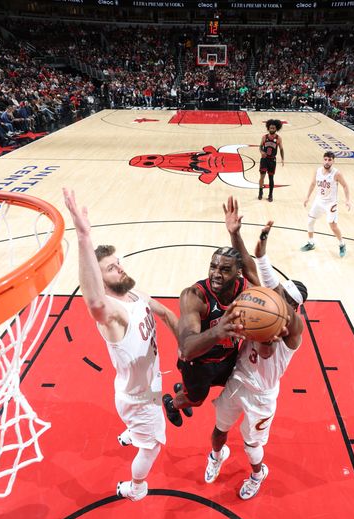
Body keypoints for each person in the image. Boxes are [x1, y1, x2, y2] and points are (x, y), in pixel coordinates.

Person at [63, 188, 179, 502]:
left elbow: (165, 312)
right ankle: (137, 487)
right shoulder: (112, 314)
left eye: (119, 263)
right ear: (99, 280)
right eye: (112, 268)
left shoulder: (133, 293)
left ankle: (131, 430)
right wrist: (83, 237)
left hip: (141, 384)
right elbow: (94, 301)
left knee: (138, 424)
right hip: (142, 399)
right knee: (151, 446)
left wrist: (185, 344)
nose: (121, 269)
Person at [204, 219, 307, 500]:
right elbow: (252, 266)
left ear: (294, 306)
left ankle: (257, 473)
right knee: (218, 430)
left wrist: (262, 260)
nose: (273, 295)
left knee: (252, 446)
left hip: (262, 396)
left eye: (281, 296)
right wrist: (236, 235)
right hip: (238, 381)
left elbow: (269, 347)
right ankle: (216, 456)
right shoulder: (270, 303)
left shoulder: (294, 330)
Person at [162, 197, 260, 426]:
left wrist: (235, 235)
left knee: (234, 388)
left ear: (238, 273)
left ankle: (183, 389)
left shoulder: (246, 286)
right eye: (213, 266)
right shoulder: (194, 296)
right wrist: (219, 332)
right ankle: (171, 403)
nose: (216, 273)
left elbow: (249, 266)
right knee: (195, 400)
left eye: (225, 269)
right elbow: (187, 349)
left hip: (228, 358)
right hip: (199, 363)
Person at [301, 151, 352, 257]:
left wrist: (347, 200)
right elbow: (312, 184)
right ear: (323, 160)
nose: (327, 162)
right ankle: (311, 243)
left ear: (333, 161)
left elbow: (345, 186)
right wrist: (307, 197)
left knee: (333, 226)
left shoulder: (336, 173)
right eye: (325, 159)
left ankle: (342, 244)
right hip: (319, 201)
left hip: (330, 204)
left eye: (329, 160)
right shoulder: (318, 171)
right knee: (310, 221)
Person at [258, 119, 285, 202]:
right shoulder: (264, 137)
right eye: (270, 128)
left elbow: (281, 149)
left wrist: (282, 159)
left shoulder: (278, 138)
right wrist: (262, 152)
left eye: (273, 128)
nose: (272, 129)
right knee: (262, 177)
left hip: (272, 160)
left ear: (276, 129)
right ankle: (260, 191)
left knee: (271, 178)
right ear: (268, 128)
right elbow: (260, 147)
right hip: (264, 159)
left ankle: (270, 194)